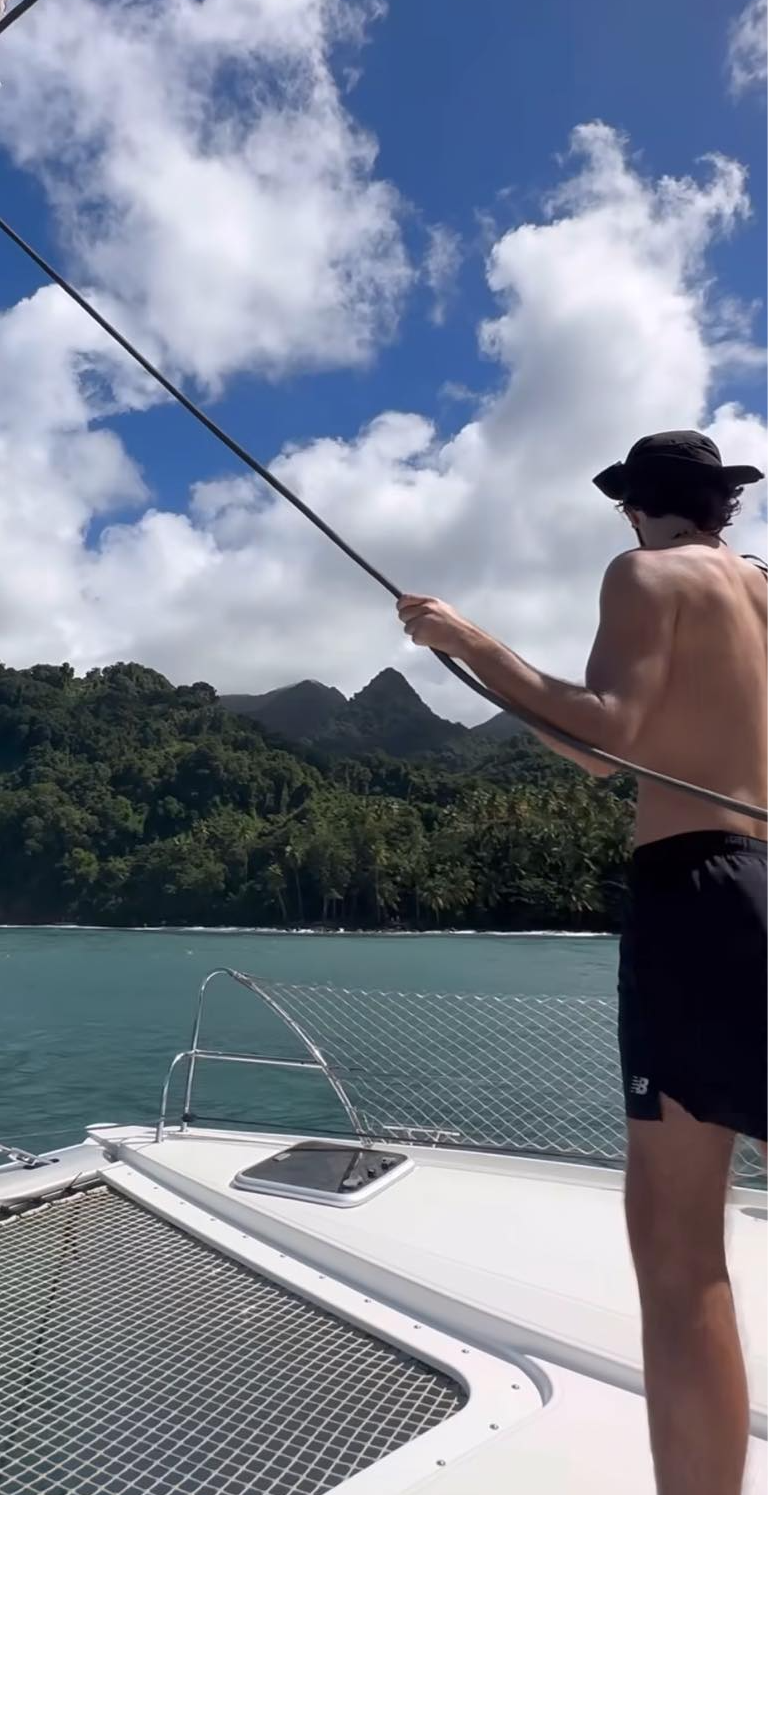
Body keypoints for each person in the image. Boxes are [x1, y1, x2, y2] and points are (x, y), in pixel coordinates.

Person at [398, 429, 767, 1497]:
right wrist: (475, 666)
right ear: (720, 507)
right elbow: (602, 743)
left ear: (634, 508)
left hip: (697, 900)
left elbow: (607, 727)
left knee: (681, 1250)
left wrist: (467, 634)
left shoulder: (644, 573)